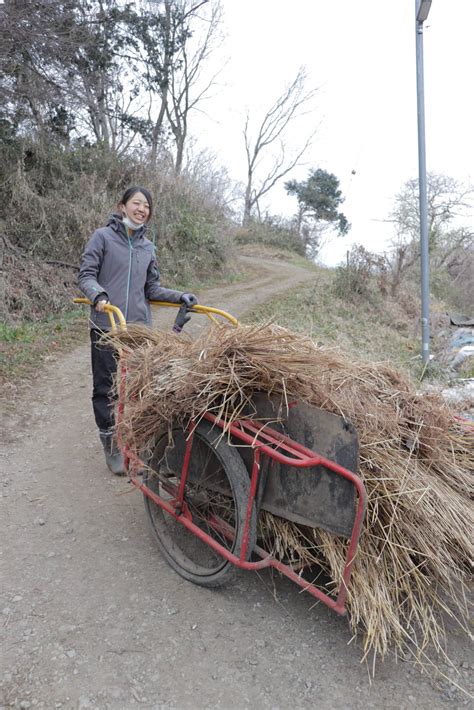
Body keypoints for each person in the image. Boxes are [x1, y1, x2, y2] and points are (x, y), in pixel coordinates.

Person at [78, 186, 198, 475]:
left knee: (141, 386)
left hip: (138, 330)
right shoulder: (103, 237)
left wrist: (180, 296)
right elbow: (86, 274)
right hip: (108, 326)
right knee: (107, 389)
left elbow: (151, 288)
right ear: (122, 206)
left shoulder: (147, 247)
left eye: (146, 206)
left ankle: (141, 441)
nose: (142, 209)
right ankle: (112, 446)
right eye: (136, 203)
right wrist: (98, 296)